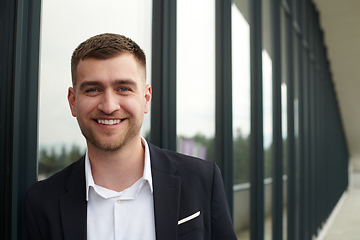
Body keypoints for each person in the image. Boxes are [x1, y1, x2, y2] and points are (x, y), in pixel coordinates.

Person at [25, 33, 237, 240]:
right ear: (73, 101)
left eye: (123, 88)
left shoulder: (201, 179)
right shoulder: (42, 202)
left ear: (146, 98)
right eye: (93, 90)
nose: (108, 106)